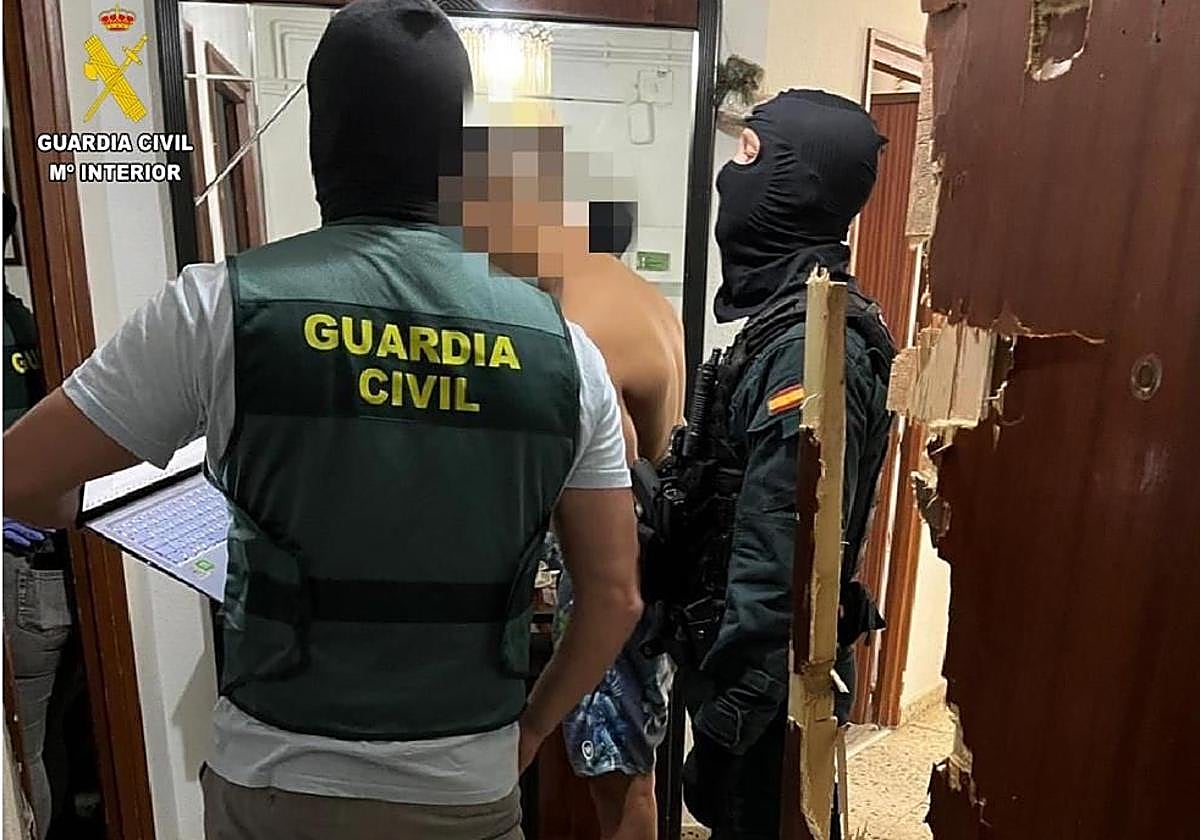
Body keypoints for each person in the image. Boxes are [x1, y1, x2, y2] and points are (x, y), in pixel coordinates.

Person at [3, 2, 644, 838]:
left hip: (277, 784)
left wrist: (69, 504)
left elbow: (19, 478)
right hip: (467, 791)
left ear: (320, 140)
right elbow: (615, 599)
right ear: (462, 154)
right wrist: (527, 734)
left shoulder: (216, 308)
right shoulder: (566, 351)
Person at [680, 89, 897, 840]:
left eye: (749, 156)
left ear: (793, 186)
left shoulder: (811, 347)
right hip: (755, 686)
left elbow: (785, 561)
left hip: (769, 701)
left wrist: (730, 719)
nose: (727, 179)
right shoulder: (788, 327)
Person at [459, 124, 685, 839]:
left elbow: (613, 456)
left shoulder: (575, 320)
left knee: (616, 776)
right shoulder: (638, 295)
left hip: (611, 569)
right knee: (629, 767)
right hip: (648, 554)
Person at [3, 192, 78, 840]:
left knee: (20, 764)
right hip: (51, 568)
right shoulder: (32, 322)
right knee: (44, 745)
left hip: (17, 570)